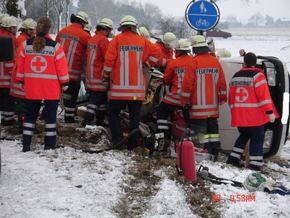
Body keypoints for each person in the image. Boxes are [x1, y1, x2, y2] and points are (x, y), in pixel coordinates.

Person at [102, 15, 161, 150]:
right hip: (137, 90)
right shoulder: (142, 41)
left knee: (112, 113)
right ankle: (133, 145)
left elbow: (109, 61)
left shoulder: (116, 40)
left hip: (119, 90)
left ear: (122, 27)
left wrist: (105, 75)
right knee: (135, 118)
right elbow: (157, 55)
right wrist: (146, 60)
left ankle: (118, 142)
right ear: (135, 27)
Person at [16, 17, 70, 152]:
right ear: (49, 29)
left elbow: (20, 66)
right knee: (50, 117)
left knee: (29, 116)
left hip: (32, 87)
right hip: (50, 88)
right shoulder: (56, 47)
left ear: (37, 28)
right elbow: (62, 69)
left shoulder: (25, 45)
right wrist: (64, 83)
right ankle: (49, 144)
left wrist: (22, 80)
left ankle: (26, 144)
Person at [226, 52, 278, 171]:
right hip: (255, 117)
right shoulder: (258, 76)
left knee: (243, 136)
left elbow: (231, 98)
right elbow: (264, 97)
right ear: (255, 63)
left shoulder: (235, 76)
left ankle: (233, 159)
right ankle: (255, 165)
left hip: (240, 117)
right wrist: (270, 112)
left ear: (244, 62)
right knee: (257, 139)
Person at [180, 35, 227, 161]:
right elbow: (222, 82)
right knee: (213, 132)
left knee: (200, 133)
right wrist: (222, 97)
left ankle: (203, 152)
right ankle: (215, 151)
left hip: (197, 107)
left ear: (195, 48)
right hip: (212, 107)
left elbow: (187, 85)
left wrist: (184, 101)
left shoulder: (193, 62)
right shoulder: (215, 61)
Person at [55, 11, 91, 123]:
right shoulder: (85, 36)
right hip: (73, 73)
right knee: (71, 96)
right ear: (84, 23)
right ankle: (69, 118)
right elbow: (88, 54)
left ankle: (48, 116)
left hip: (58, 72)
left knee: (56, 95)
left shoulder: (62, 32)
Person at [156, 39, 192, 147]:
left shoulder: (173, 63)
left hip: (176, 95)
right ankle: (188, 139)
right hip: (190, 97)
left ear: (178, 52)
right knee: (188, 117)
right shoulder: (194, 61)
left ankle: (163, 134)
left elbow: (166, 80)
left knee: (162, 109)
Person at [81, 18, 114, 127]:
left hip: (90, 77)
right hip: (99, 77)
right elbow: (108, 58)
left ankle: (99, 121)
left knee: (101, 102)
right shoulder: (103, 40)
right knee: (94, 103)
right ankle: (86, 121)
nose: (110, 33)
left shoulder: (92, 39)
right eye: (110, 30)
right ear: (107, 29)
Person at [10, 18, 37, 133]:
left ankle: (24, 124)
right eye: (32, 30)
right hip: (21, 78)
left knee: (23, 104)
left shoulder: (24, 39)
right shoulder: (23, 41)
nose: (34, 32)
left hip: (21, 76)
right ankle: (22, 126)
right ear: (26, 30)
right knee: (22, 105)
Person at [0, 15, 18, 126]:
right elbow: (14, 56)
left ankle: (3, 117)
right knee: (9, 97)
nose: (15, 30)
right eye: (13, 27)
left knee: (1, 98)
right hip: (7, 73)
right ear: (7, 27)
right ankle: (8, 119)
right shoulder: (10, 38)